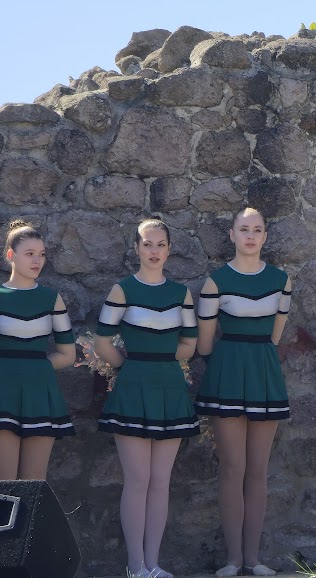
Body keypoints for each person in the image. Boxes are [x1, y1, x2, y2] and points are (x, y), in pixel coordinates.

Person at [96, 219, 199, 578]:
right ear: (136, 248)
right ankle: (134, 565)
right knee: (137, 480)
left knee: (160, 482)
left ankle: (153, 565)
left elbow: (190, 345)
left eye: (160, 244)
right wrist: (131, 366)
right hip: (133, 388)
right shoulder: (122, 290)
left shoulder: (181, 294)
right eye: (147, 244)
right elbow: (102, 342)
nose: (153, 251)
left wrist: (161, 362)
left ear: (169, 249)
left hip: (170, 389)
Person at [194, 208, 292, 577]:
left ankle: (253, 560)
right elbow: (205, 345)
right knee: (233, 468)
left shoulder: (281, 281)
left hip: (264, 374)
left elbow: (275, 336)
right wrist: (229, 362)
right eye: (244, 229)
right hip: (227, 375)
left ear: (265, 236)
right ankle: (233, 560)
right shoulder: (215, 282)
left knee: (258, 470)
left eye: (257, 230)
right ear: (232, 234)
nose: (250, 236)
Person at [0, 221, 76, 480]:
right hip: (3, 391)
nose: (37, 260)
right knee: (4, 484)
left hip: (40, 393)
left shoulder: (52, 298)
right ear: (11, 255)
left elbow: (68, 354)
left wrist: (37, 367)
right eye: (30, 253)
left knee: (34, 485)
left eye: (41, 254)